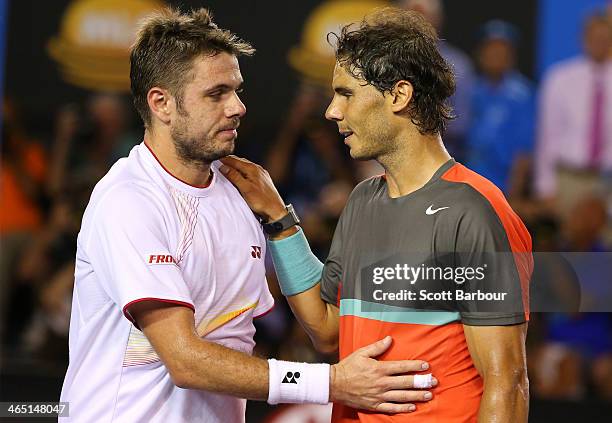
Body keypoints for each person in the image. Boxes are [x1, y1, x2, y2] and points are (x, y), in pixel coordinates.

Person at [59, 8, 437, 422]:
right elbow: (185, 361)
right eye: (216, 93)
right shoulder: (128, 200)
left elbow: (312, 328)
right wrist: (331, 383)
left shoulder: (244, 192)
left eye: (237, 90)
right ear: (161, 103)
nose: (238, 107)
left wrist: (279, 218)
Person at [221, 7, 532, 422]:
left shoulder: (475, 211)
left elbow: (506, 385)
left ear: (399, 96)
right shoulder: (363, 199)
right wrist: (280, 219)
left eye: (346, 94)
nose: (331, 111)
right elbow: (327, 329)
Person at [535, 11, 612, 217]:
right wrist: (546, 186)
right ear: (584, 38)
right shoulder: (559, 78)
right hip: (569, 179)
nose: (600, 43)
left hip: (607, 181)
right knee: (567, 245)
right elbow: (548, 136)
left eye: (605, 38)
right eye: (595, 38)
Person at [464, 20, 535, 196]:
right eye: (490, 49)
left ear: (511, 56)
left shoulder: (522, 94)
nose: (495, 55)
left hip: (503, 184)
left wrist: (514, 192)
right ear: (481, 54)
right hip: (468, 179)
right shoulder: (471, 89)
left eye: (502, 50)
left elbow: (524, 151)